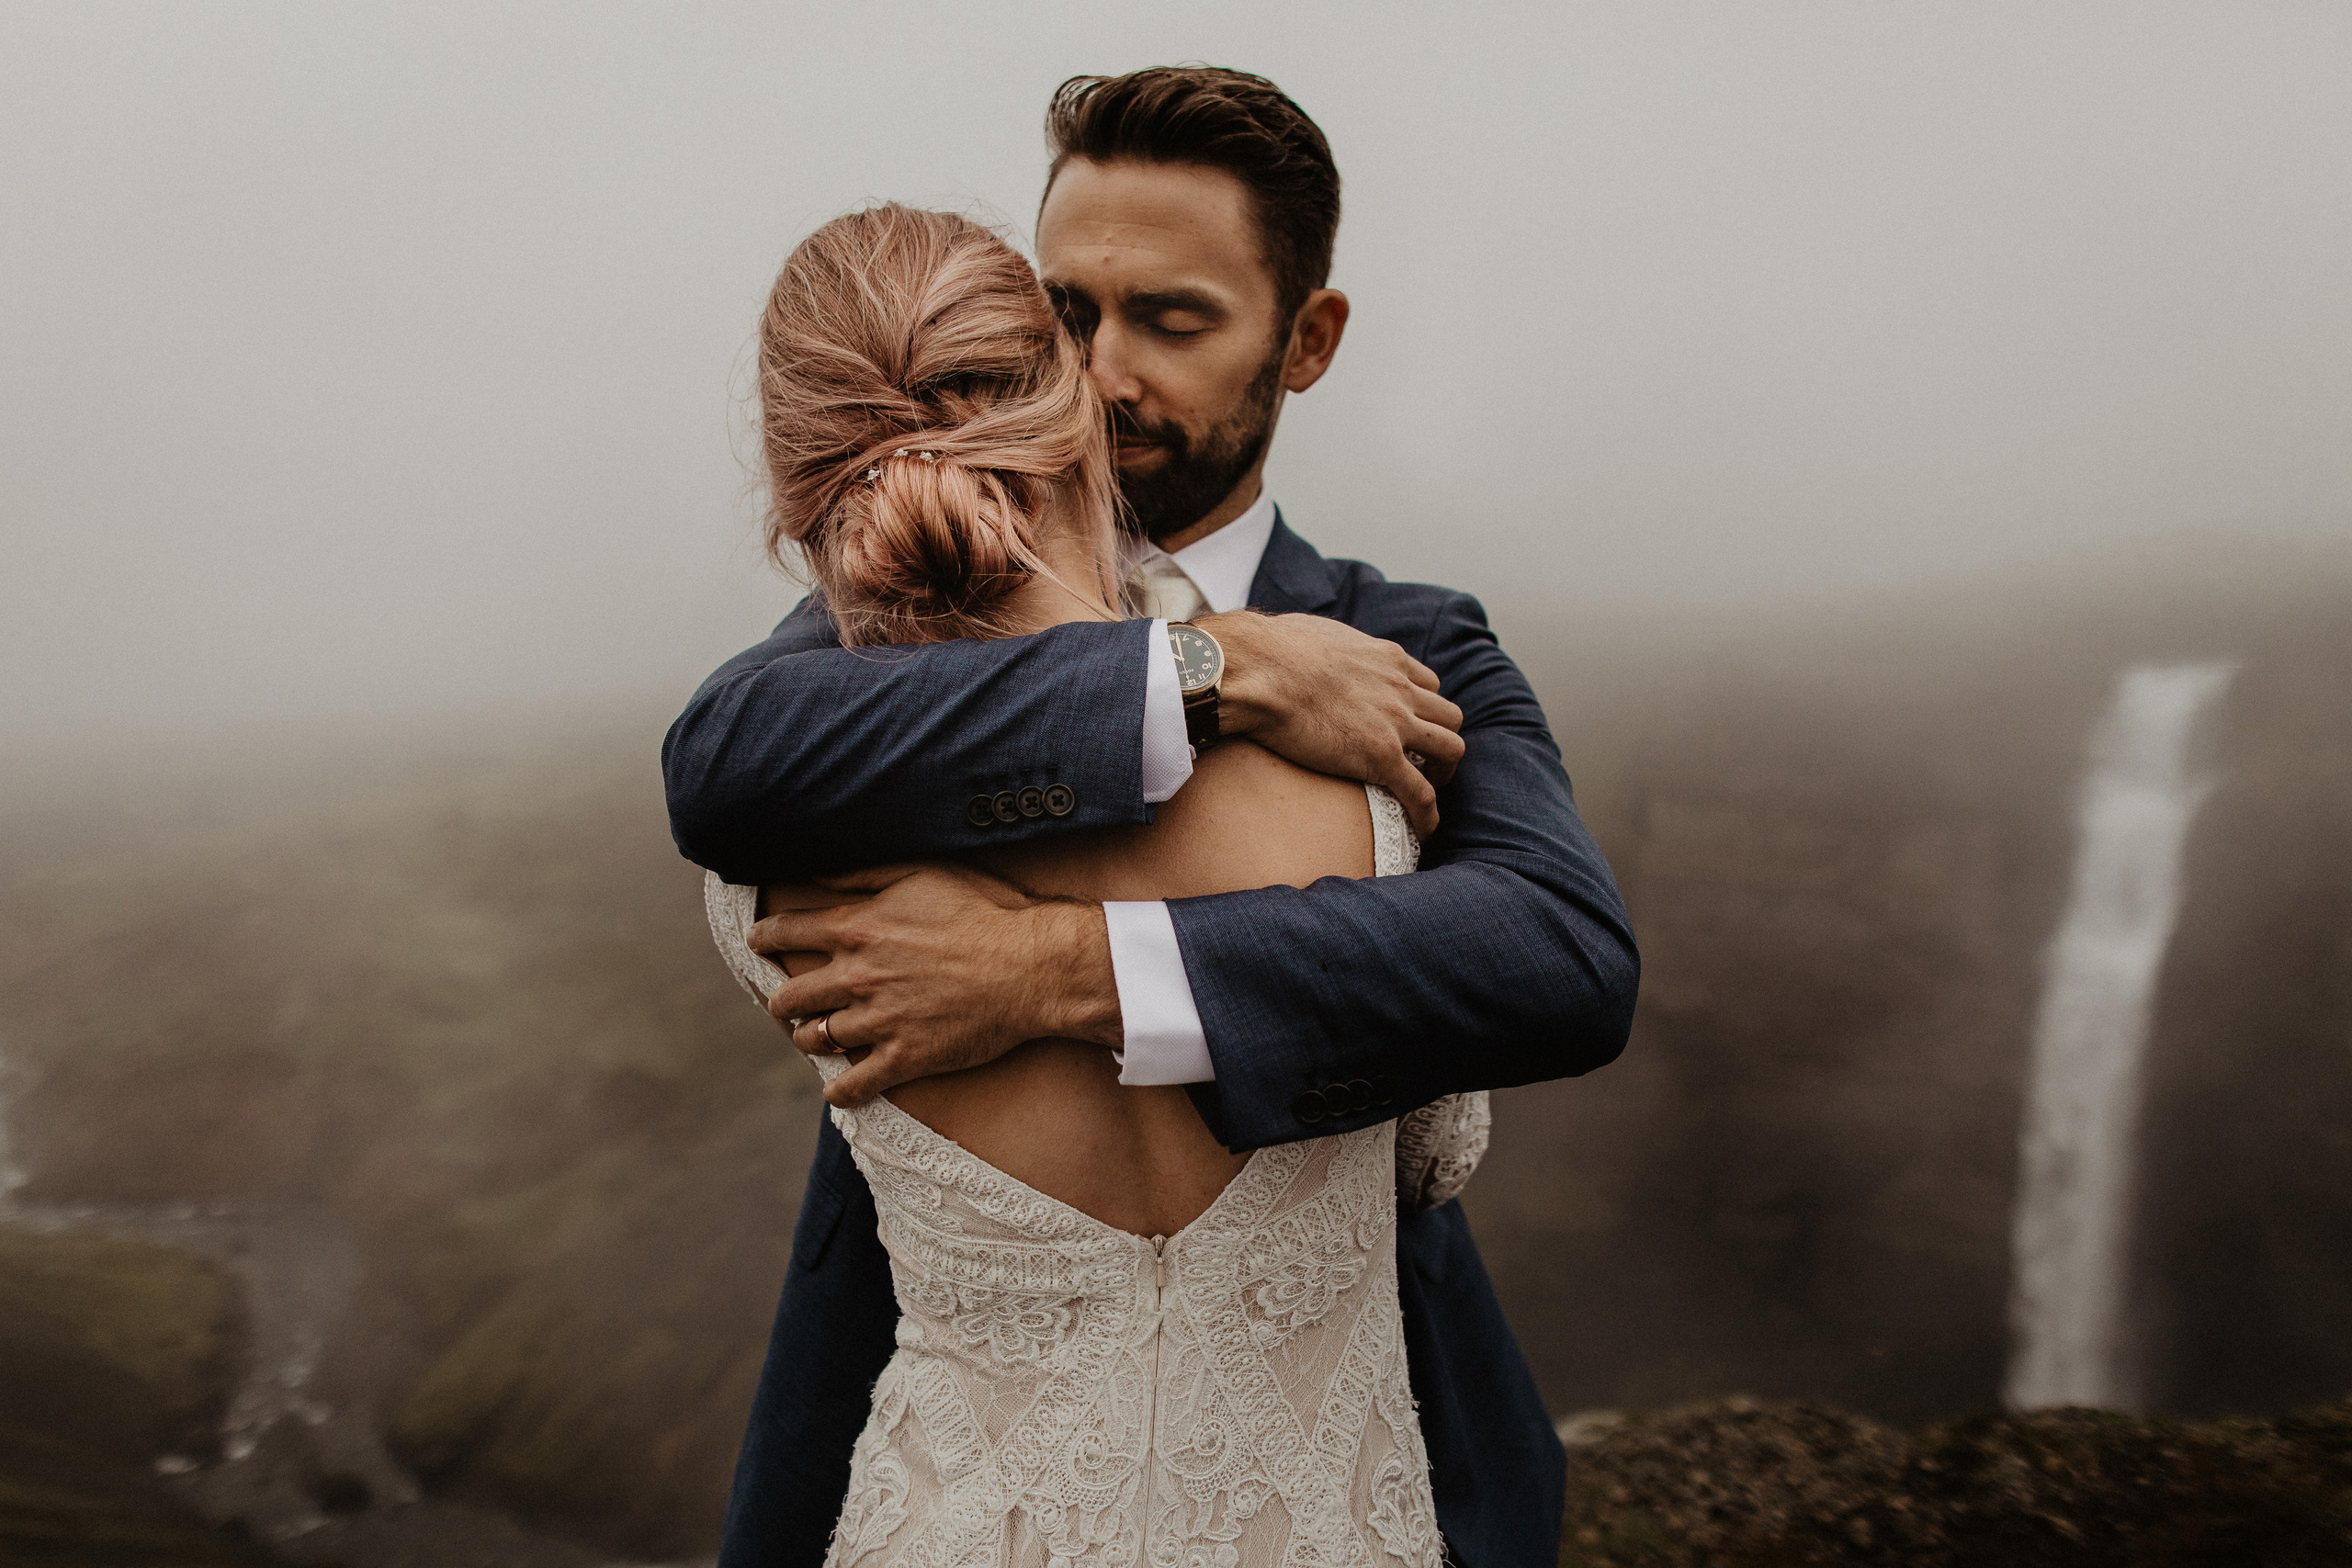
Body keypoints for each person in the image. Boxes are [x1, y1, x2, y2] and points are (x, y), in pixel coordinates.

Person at [664, 68, 1639, 1567]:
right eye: (1066, 314)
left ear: (1305, 342)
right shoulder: (857, 653)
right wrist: (1207, 666)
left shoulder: (1417, 648)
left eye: (1172, 320)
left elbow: (1561, 958)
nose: (1104, 372)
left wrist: (1063, 969)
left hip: (1373, 1456)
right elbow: (720, 762)